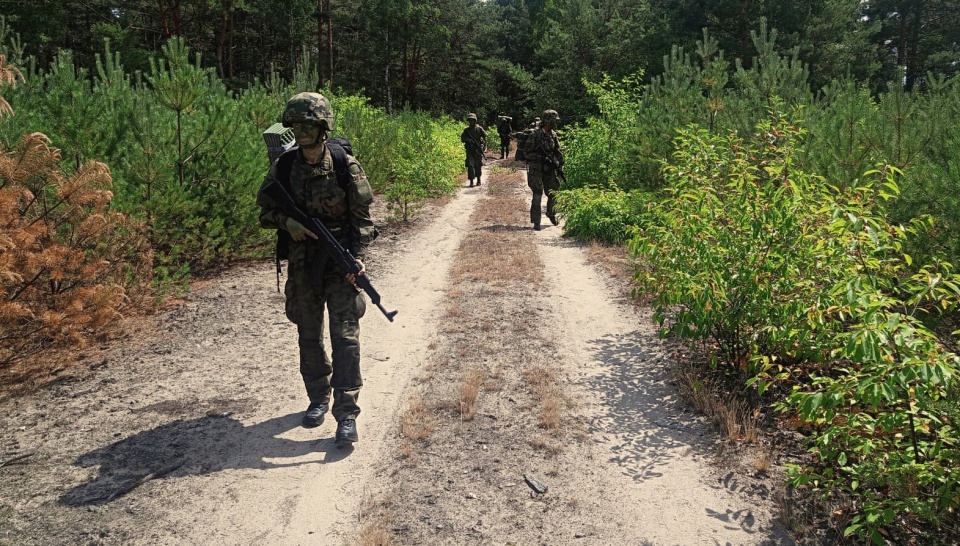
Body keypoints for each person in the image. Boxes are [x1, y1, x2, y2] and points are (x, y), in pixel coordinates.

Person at [256, 92, 377, 446]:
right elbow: (264, 212)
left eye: (309, 124)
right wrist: (287, 223)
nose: (302, 131)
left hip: (339, 264)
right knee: (308, 336)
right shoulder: (283, 167)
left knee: (346, 339)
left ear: (323, 126)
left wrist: (357, 257)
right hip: (302, 263)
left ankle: (347, 412)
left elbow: (364, 219)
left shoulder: (343, 165)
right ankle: (318, 398)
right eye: (297, 125)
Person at [523, 109, 563, 230]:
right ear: (546, 121)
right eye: (552, 121)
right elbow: (527, 152)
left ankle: (551, 213)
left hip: (549, 169)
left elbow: (557, 151)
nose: (554, 123)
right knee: (537, 194)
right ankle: (536, 221)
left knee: (554, 192)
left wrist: (559, 163)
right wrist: (541, 158)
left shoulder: (553, 134)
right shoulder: (535, 135)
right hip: (536, 170)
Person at [460, 113, 487, 187]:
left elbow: (485, 137)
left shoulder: (479, 129)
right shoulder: (466, 130)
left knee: (478, 165)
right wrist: (469, 140)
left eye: (472, 120)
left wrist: (483, 145)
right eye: (470, 120)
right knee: (470, 166)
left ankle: (478, 180)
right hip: (470, 150)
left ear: (475, 120)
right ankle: (471, 181)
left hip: (478, 150)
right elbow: (462, 139)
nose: (471, 122)